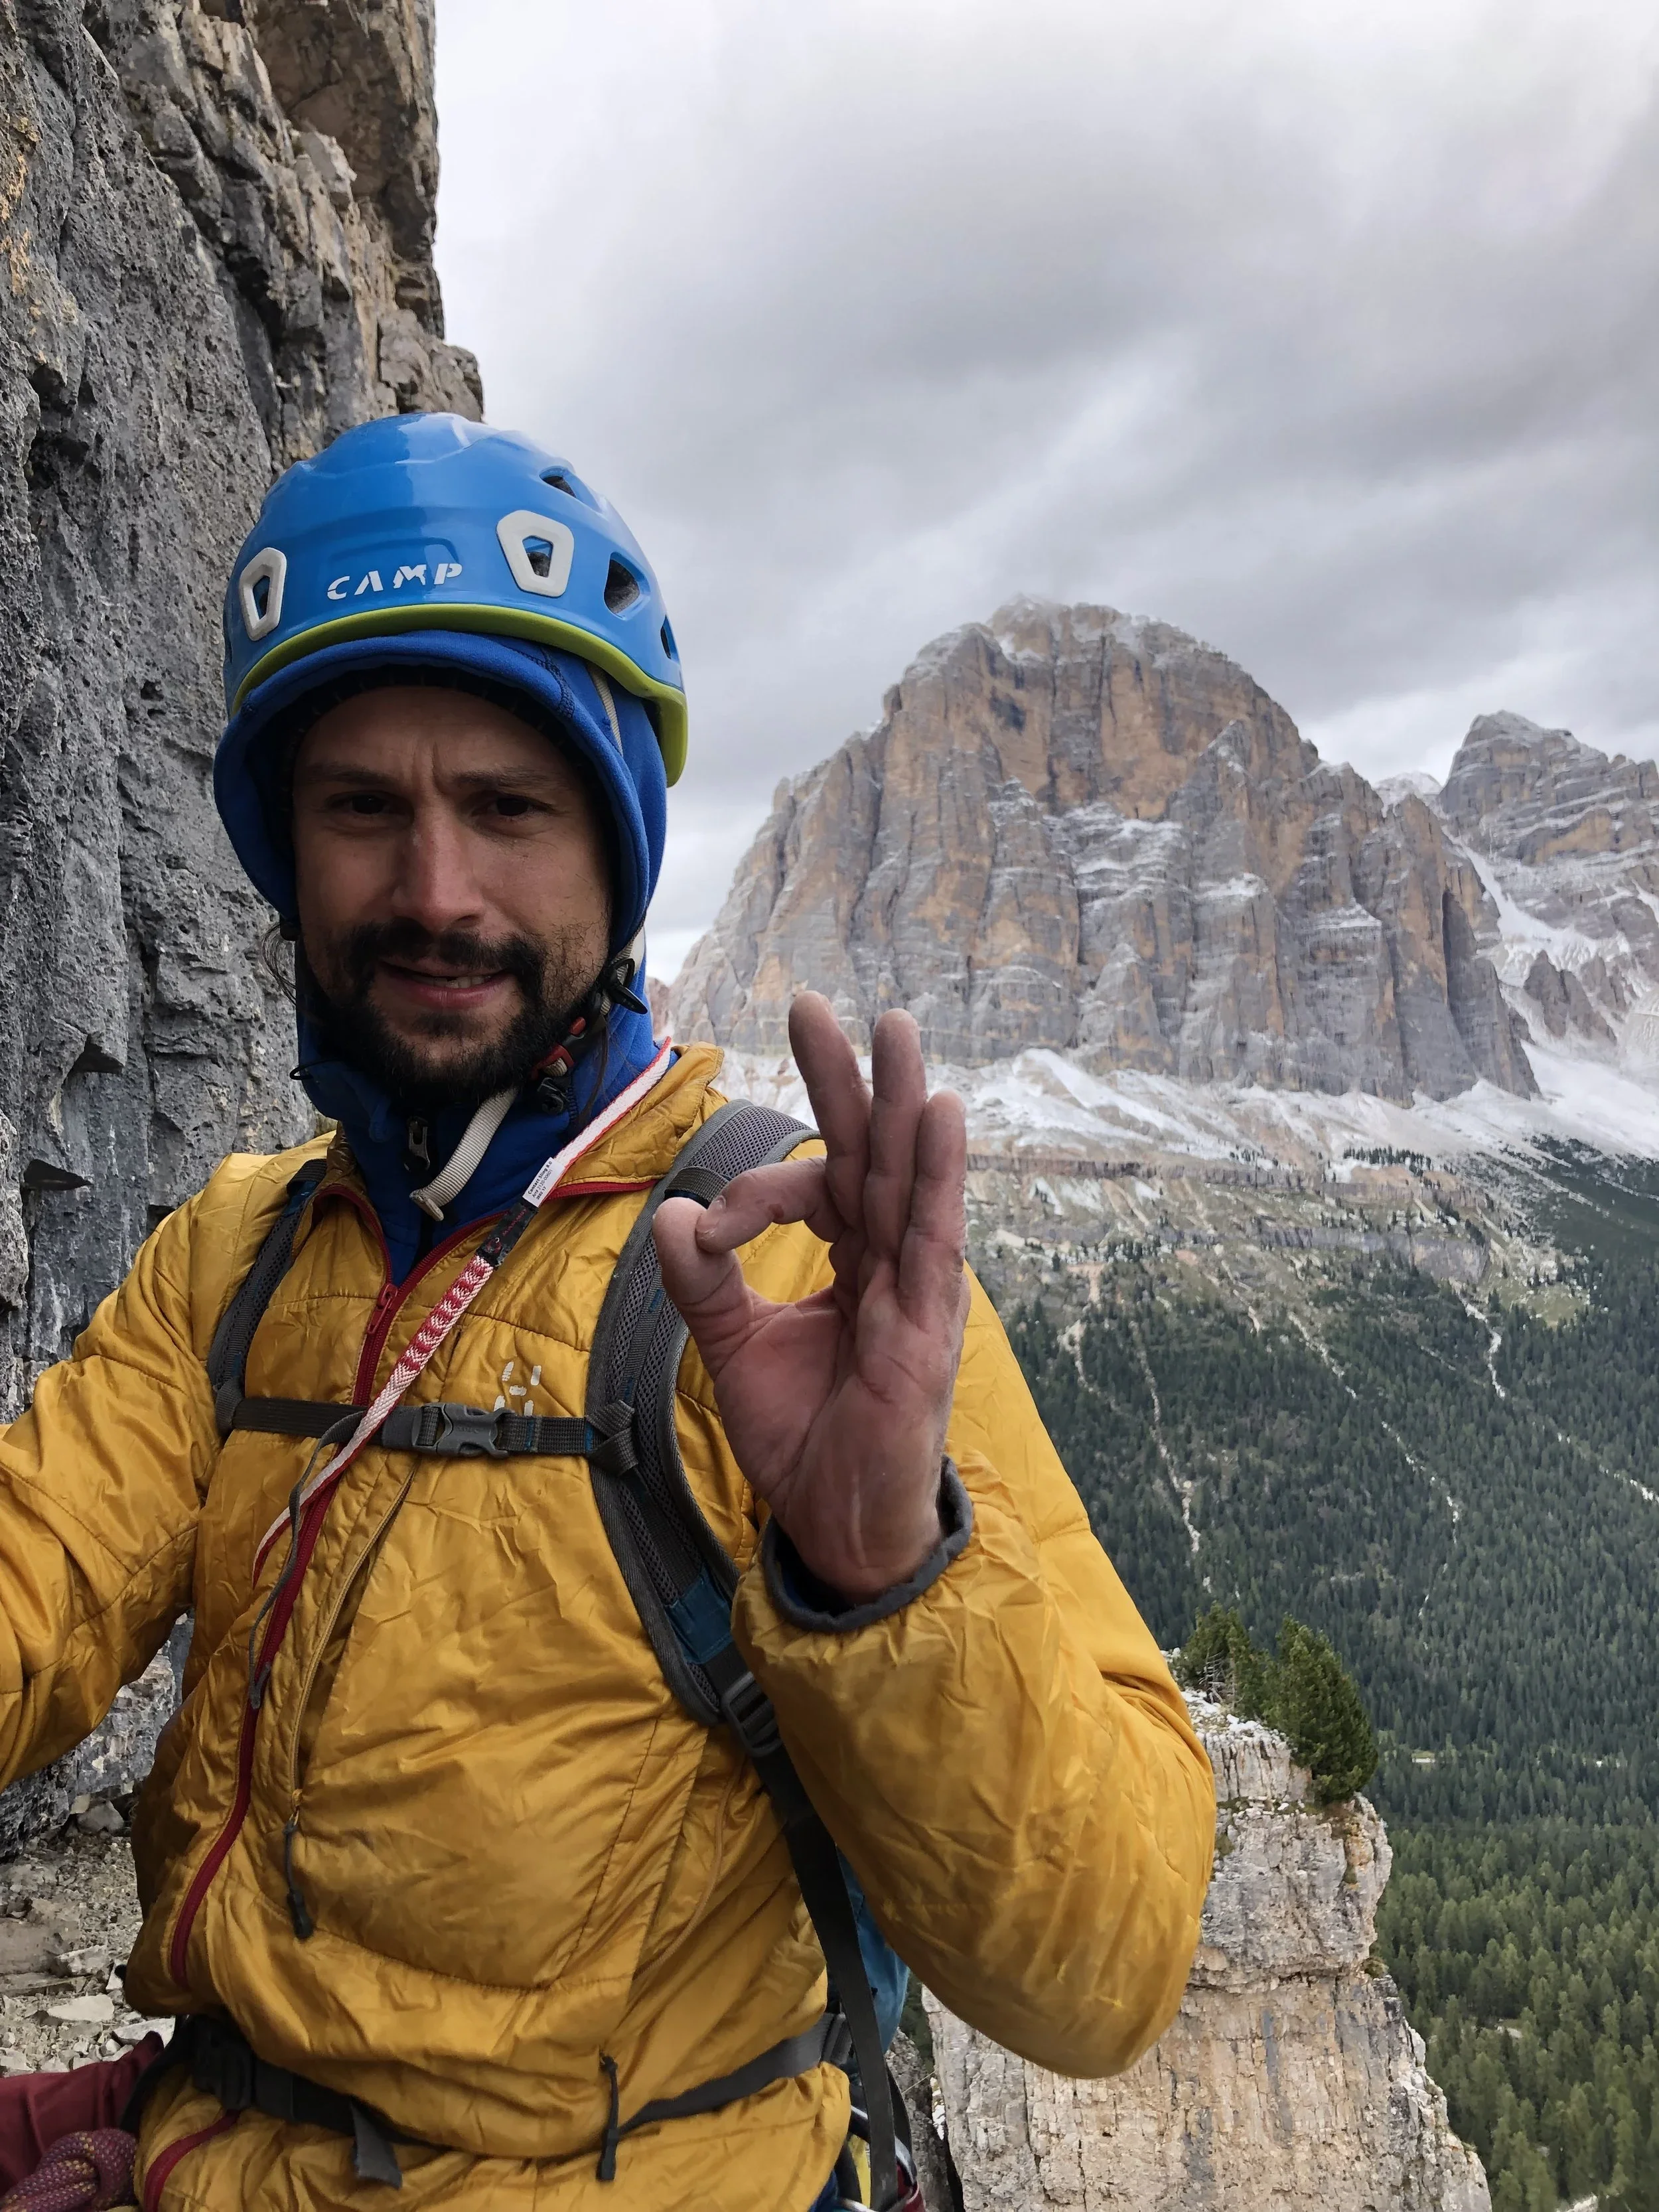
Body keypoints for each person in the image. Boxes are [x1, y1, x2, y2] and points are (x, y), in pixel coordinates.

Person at [0, 413, 1214, 2211]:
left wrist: (881, 1572)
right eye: (363, 810)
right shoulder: (239, 1259)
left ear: (614, 843)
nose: (434, 890)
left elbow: (1101, 1964)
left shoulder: (779, 1262)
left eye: (508, 808)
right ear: (286, 849)